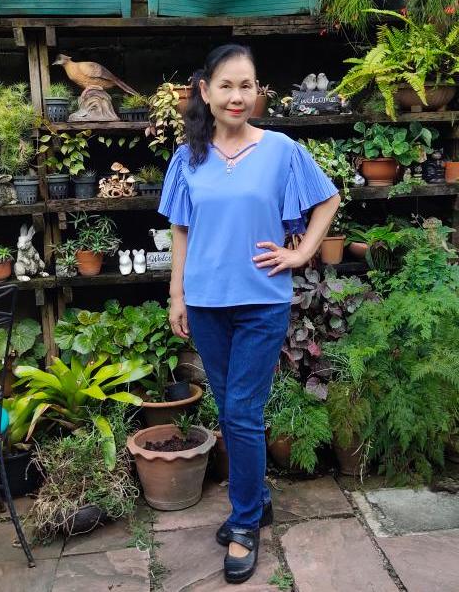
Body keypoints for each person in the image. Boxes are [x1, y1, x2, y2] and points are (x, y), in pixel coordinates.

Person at [158, 43, 340, 585]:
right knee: (231, 408)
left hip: (262, 301)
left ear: (258, 91)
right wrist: (177, 295)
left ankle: (243, 525)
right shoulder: (188, 157)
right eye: (226, 86)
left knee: (240, 410)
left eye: (247, 85)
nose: (237, 96)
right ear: (206, 91)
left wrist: (301, 254)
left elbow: (327, 200)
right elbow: (181, 230)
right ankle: (256, 500)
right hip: (206, 304)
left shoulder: (281, 150)